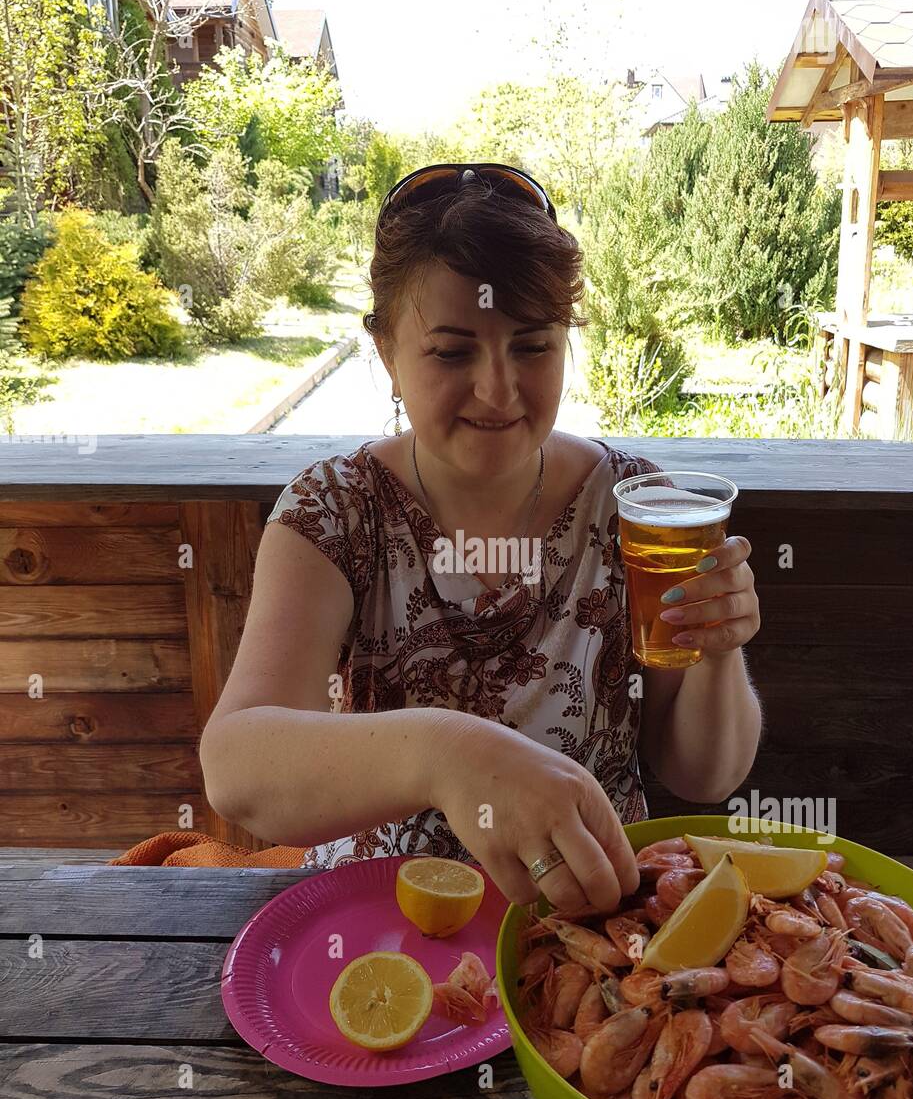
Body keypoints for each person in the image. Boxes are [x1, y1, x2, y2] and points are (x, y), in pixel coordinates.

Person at [200, 163, 763, 913]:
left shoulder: (637, 507)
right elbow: (238, 769)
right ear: (385, 352)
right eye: (452, 351)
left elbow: (701, 776)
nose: (497, 391)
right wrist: (448, 755)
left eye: (532, 347)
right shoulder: (334, 511)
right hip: (386, 925)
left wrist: (717, 651)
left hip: (586, 915)